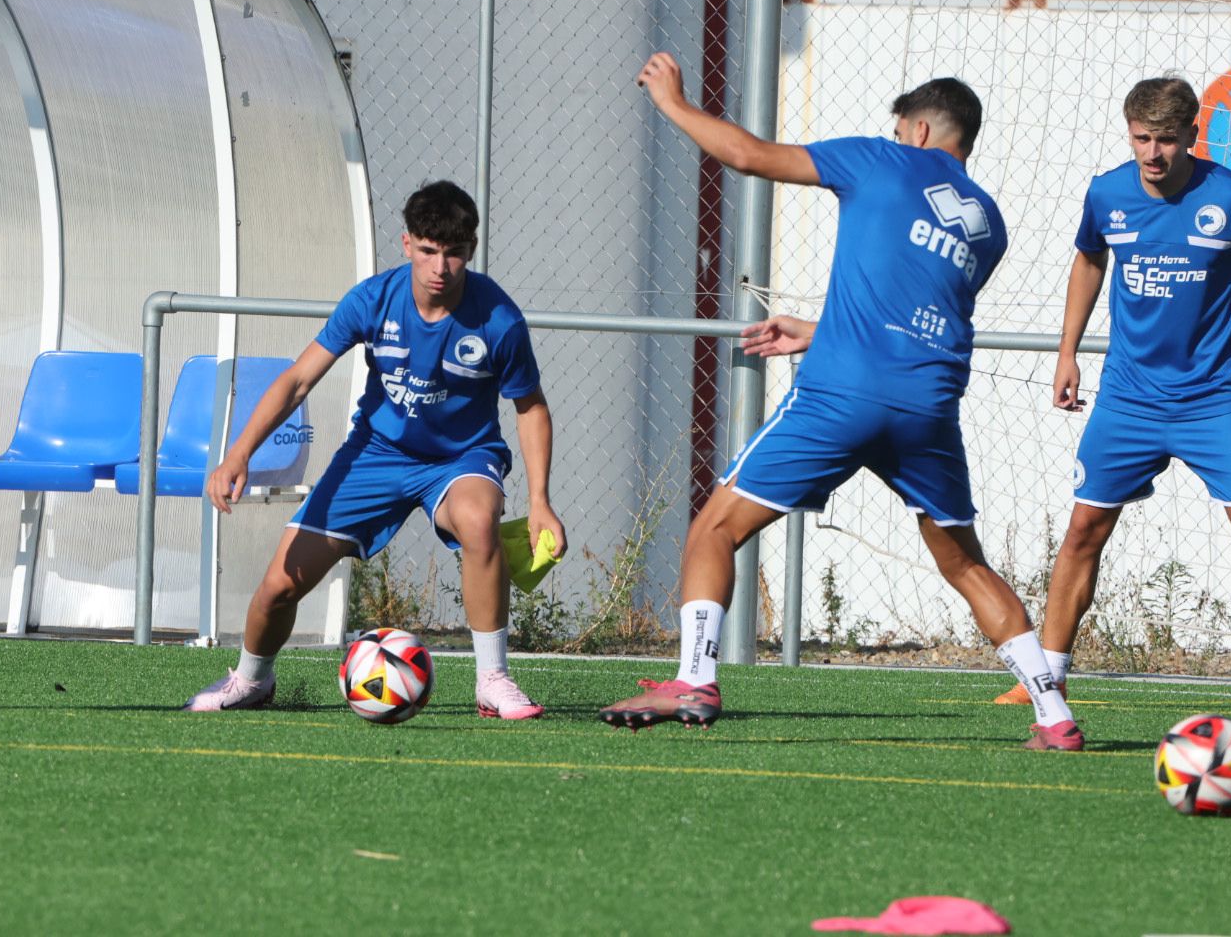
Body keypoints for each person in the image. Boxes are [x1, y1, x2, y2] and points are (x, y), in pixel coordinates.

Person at [600, 52, 1081, 750]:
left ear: (916, 131)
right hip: (927, 406)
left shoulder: (877, 160)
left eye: (897, 127)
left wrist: (674, 103)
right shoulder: (988, 223)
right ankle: (1054, 713)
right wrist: (817, 330)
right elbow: (916, 308)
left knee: (715, 529)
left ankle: (695, 679)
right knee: (965, 563)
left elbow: (748, 155)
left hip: (843, 396)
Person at [187, 180, 566, 718]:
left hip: (461, 459)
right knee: (278, 586)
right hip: (376, 454)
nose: (441, 267)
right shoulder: (373, 299)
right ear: (408, 243)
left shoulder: (499, 319)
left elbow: (530, 408)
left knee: (480, 523)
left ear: (471, 251)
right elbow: (298, 379)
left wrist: (542, 500)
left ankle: (493, 680)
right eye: (430, 251)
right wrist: (238, 453)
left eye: (455, 253)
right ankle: (251, 680)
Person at [996, 77, 1231, 708]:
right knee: (1084, 529)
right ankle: (1045, 676)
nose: (1154, 153)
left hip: (1216, 399)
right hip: (1128, 400)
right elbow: (1089, 260)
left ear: (1192, 138)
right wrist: (1067, 353)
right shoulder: (1107, 192)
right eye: (1142, 138)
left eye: (1167, 140)